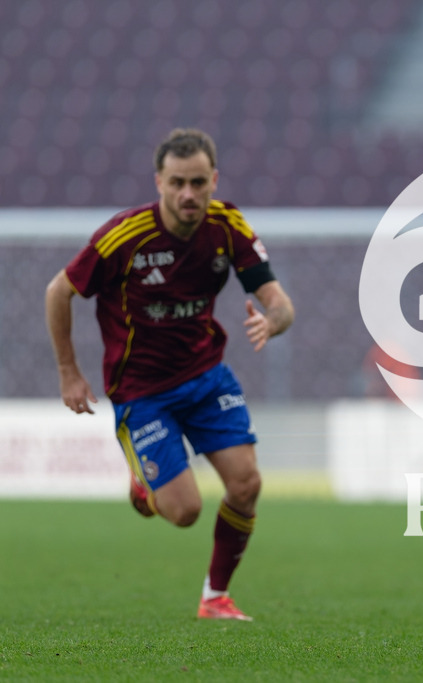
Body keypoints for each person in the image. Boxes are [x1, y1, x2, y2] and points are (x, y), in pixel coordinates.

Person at [44, 128, 295, 622]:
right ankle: (144, 482)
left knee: (246, 484)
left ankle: (215, 598)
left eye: (199, 182)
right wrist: (68, 371)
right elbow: (58, 291)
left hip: (206, 376)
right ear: (158, 181)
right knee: (184, 512)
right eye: (178, 182)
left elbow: (278, 301)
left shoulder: (227, 227)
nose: (189, 194)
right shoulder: (124, 237)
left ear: (214, 180)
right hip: (142, 391)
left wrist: (274, 320)